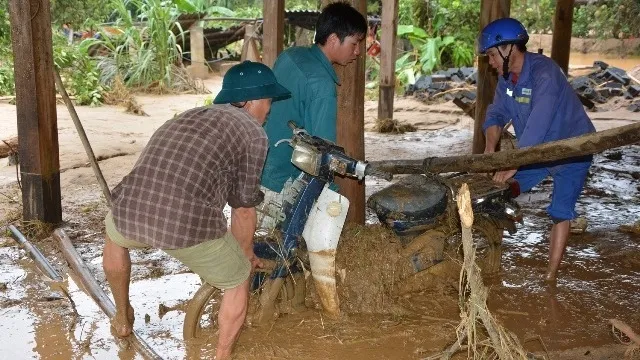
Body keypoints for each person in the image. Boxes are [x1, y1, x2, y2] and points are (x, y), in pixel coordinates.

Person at [102, 61, 290, 359]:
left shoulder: (187, 116)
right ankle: (223, 355)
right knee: (239, 277)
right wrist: (245, 255)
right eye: (269, 101)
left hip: (130, 207)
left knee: (114, 237)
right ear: (252, 101)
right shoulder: (254, 133)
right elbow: (242, 208)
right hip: (183, 221)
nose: (269, 110)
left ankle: (122, 317)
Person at [479, 18, 596, 281]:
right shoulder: (507, 81)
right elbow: (496, 115)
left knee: (560, 211)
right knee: (501, 188)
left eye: (491, 55)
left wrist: (512, 164)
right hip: (537, 153)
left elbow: (538, 125)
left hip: (573, 149)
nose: (491, 62)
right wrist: (489, 147)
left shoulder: (546, 73)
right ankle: (503, 233)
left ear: (508, 49)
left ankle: (550, 276)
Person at [260, 1, 368, 193]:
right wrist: (329, 193)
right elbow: (322, 153)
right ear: (334, 40)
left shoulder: (289, 56)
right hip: (286, 181)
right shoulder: (322, 86)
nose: (358, 52)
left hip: (262, 165)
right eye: (354, 43)